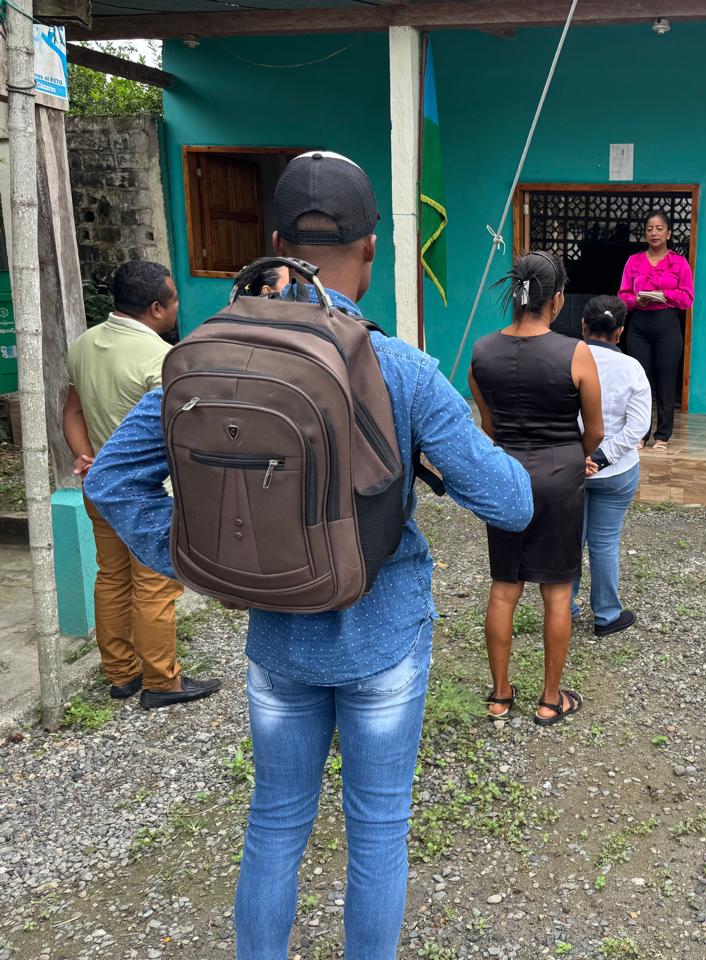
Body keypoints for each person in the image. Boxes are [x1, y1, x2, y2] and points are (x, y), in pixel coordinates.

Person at [84, 151, 534, 960]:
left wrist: (198, 558)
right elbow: (511, 502)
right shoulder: (399, 368)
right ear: (371, 249)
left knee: (274, 823)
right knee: (379, 830)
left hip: (277, 641)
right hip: (384, 637)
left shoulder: (213, 353)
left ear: (276, 245)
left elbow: (113, 480)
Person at [62, 261, 222, 709]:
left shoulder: (83, 345)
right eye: (174, 301)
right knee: (154, 584)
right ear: (156, 308)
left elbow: (71, 410)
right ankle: (163, 681)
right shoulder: (163, 358)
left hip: (99, 485)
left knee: (112, 577)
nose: (177, 308)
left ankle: (121, 674)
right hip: (148, 495)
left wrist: (86, 457)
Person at [470, 252, 605, 726]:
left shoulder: (482, 352)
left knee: (504, 587)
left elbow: (488, 426)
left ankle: (500, 695)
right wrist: (572, 455)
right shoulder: (576, 352)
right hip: (560, 477)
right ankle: (550, 699)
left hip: (506, 473)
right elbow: (595, 430)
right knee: (557, 590)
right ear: (558, 299)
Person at [573, 295, 652, 638]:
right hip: (616, 472)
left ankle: (563, 608)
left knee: (570, 540)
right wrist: (602, 457)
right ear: (621, 331)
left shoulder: (566, 360)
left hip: (570, 468)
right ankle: (606, 616)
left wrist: (580, 456)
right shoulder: (632, 368)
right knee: (604, 542)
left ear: (583, 325)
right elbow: (638, 427)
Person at [617, 210, 694, 453]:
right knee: (640, 382)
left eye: (659, 228)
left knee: (665, 381)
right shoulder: (633, 261)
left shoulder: (679, 263)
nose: (654, 233)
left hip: (667, 326)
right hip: (639, 327)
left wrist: (664, 295)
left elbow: (687, 298)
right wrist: (635, 300)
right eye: (650, 228)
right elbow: (622, 295)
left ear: (668, 233)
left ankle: (663, 435)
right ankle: (640, 434)